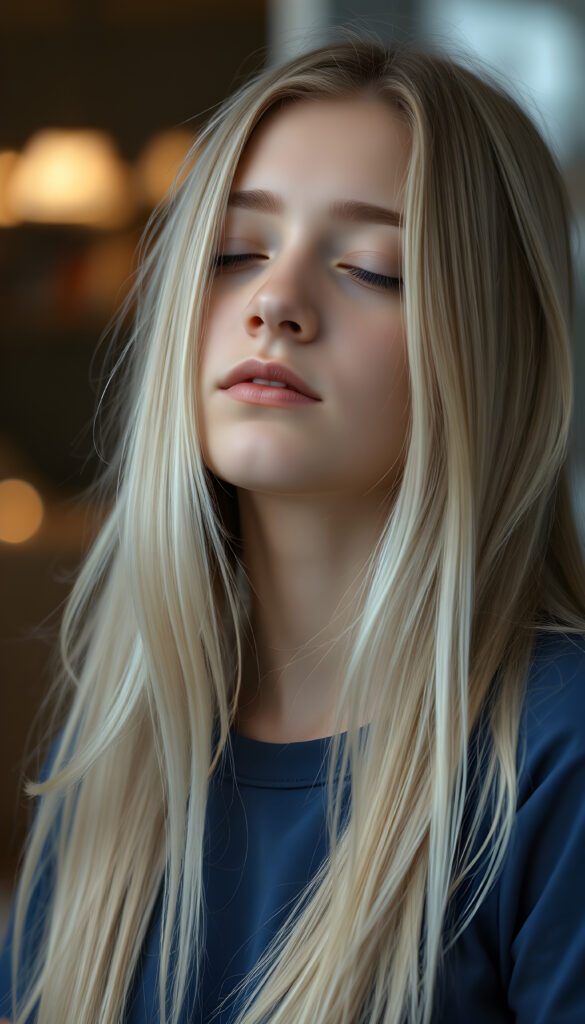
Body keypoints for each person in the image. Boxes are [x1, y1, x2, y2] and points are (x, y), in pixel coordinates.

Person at [1, 31, 585, 1024]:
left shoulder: (553, 754)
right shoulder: (112, 744)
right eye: (235, 253)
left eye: (371, 267)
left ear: (494, 343)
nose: (275, 300)